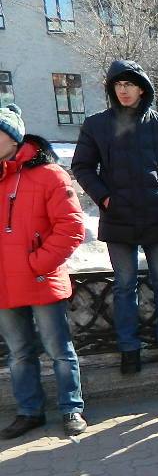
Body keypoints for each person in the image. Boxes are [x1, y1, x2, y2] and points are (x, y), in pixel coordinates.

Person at [71, 60, 158, 375]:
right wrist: (105, 197)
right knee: (124, 285)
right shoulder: (97, 125)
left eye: (130, 84)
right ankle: (129, 348)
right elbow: (82, 166)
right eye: (118, 84)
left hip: (157, 217)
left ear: (142, 88)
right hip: (118, 217)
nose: (124, 90)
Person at [0, 105, 88, 439]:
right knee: (19, 353)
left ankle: (71, 408)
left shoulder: (50, 174)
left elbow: (71, 227)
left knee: (59, 351)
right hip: (4, 283)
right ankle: (29, 412)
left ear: (13, 138)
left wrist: (37, 264)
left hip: (41, 279)